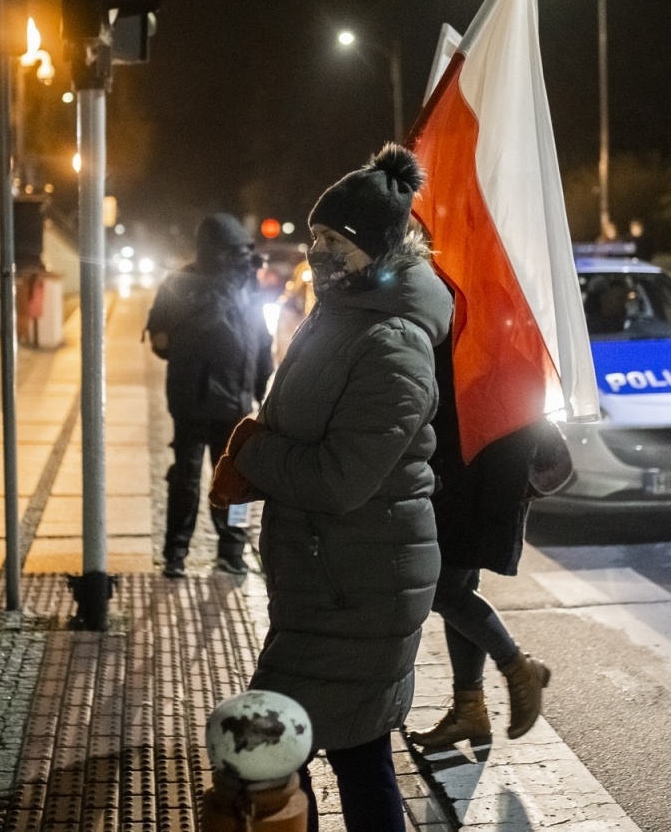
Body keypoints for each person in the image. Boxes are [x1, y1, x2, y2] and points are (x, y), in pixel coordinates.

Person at [209, 144, 450, 832]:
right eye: (314, 237)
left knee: (265, 752)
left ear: (375, 248)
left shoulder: (394, 341)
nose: (318, 251)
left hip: (360, 587)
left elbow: (342, 479)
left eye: (334, 240)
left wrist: (254, 452)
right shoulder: (340, 314)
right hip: (333, 579)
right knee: (354, 750)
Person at [405, 342, 566, 748]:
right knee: (458, 589)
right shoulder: (474, 306)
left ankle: (516, 666)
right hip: (471, 466)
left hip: (475, 471)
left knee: (444, 592)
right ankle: (470, 708)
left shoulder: (478, 310)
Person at [146, 212, 272, 577]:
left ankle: (201, 552)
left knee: (208, 478)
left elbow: (259, 338)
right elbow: (259, 342)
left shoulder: (191, 283)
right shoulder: (222, 284)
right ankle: (204, 553)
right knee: (210, 478)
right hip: (214, 400)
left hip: (211, 399)